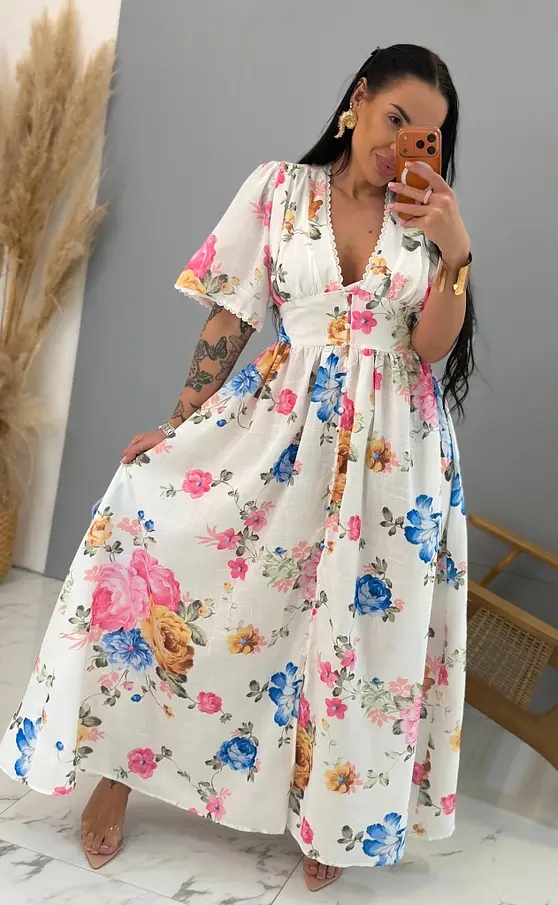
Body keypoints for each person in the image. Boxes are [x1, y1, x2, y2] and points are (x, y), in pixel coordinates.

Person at [0, 44, 474, 891]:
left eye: (425, 134)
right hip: (282, 427)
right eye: (396, 118)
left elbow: (431, 349)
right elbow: (232, 316)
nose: (401, 144)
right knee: (189, 580)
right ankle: (118, 769)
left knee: (357, 638)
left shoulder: (430, 221)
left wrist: (456, 250)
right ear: (360, 98)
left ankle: (333, 811)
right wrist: (177, 426)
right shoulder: (280, 191)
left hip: (394, 462)